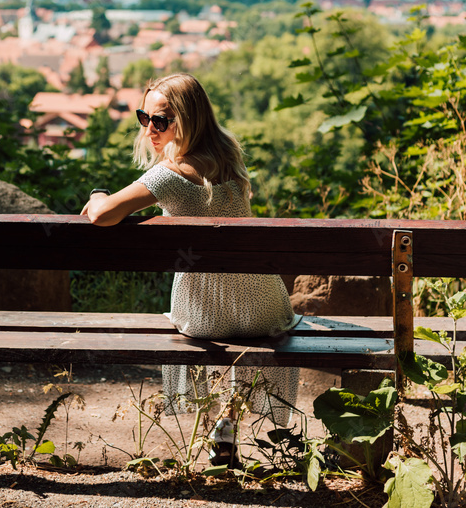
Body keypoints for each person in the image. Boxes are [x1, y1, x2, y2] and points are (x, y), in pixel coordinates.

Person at [81, 73, 302, 468]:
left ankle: (213, 430)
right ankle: (226, 423)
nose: (150, 128)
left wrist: (98, 191)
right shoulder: (228, 157)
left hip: (204, 315)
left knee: (200, 317)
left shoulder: (170, 177)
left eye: (161, 120)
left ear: (187, 120)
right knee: (234, 310)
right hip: (266, 309)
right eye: (143, 117)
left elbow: (101, 215)